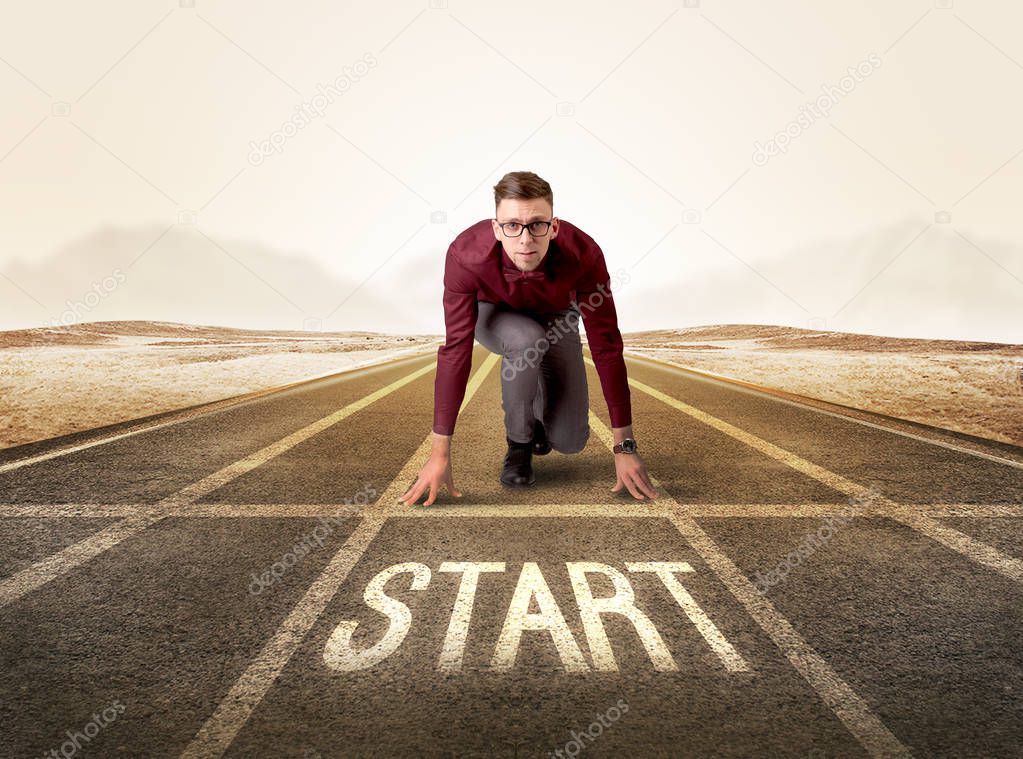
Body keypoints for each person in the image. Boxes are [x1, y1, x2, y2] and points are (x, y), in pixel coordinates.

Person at [399, 171, 656, 506]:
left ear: (554, 227)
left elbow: (606, 344)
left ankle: (537, 421)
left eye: (537, 225)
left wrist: (625, 445)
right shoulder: (466, 255)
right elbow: (456, 351)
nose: (525, 239)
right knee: (526, 338)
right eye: (512, 226)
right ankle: (518, 446)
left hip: (557, 317)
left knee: (570, 440)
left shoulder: (585, 255)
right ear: (496, 228)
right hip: (495, 313)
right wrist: (439, 453)